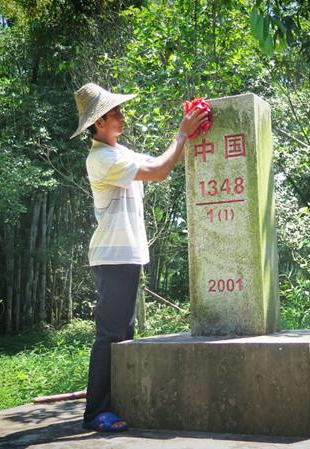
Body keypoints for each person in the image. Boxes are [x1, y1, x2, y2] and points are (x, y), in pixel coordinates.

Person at [69, 83, 208, 432]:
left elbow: (162, 162)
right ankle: (96, 411)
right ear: (99, 122)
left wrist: (189, 133)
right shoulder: (102, 158)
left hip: (126, 255)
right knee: (111, 334)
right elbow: (160, 171)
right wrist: (182, 132)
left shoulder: (120, 152)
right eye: (114, 112)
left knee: (122, 334)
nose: (121, 115)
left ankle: (113, 403)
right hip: (113, 256)